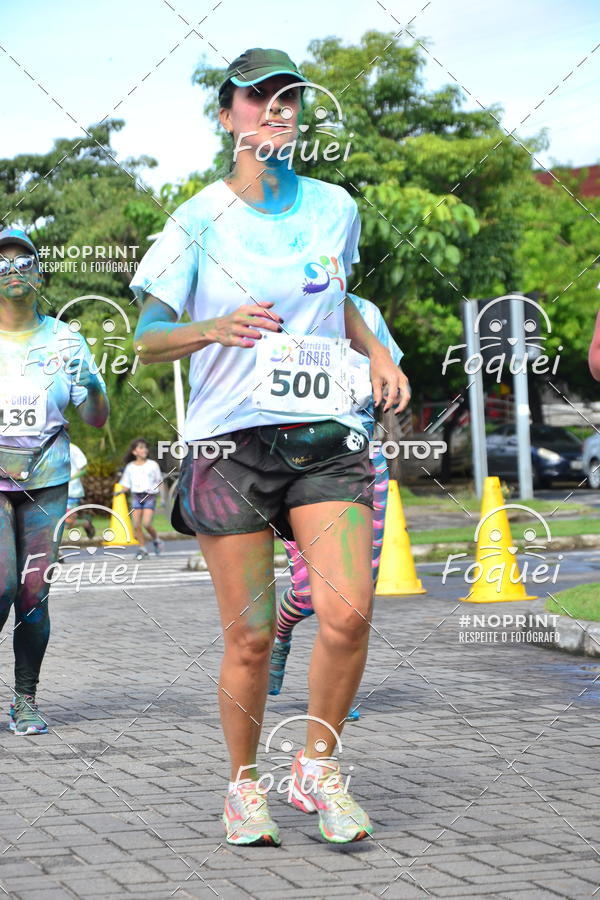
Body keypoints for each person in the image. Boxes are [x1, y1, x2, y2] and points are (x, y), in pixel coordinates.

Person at [131, 48, 410, 847]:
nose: (276, 109)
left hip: (323, 436)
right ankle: (242, 785)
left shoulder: (334, 207)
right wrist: (211, 329)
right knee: (250, 638)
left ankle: (316, 770)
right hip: (230, 447)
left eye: (288, 97)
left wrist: (379, 351)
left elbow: (341, 297)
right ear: (229, 117)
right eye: (258, 99)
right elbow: (148, 340)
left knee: (349, 609)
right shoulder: (197, 219)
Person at [269, 294, 405, 718]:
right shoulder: (281, 303)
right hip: (295, 462)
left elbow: (391, 378)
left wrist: (392, 419)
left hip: (360, 458)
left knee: (356, 593)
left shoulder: (368, 314)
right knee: (309, 593)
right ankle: (281, 631)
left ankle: (331, 698)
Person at [0, 228, 108, 735]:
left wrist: (91, 386)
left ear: (39, 275)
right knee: (1, 586)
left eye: (24, 262)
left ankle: (25, 699)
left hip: (47, 477)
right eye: (3, 263)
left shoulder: (66, 339)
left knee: (32, 596)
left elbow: (96, 417)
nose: (13, 270)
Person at [117, 438, 163, 559]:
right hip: (136, 496)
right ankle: (142, 548)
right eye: (141, 448)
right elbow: (126, 484)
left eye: (145, 447)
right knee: (136, 525)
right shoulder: (130, 467)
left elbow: (160, 482)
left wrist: (163, 498)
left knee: (146, 524)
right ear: (134, 452)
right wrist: (120, 491)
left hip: (149, 496)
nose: (144, 450)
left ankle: (157, 540)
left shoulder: (153, 465)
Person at [64, 437, 95, 539]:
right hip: (56, 491)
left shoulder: (73, 449)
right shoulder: (51, 449)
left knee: (67, 524)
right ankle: (56, 551)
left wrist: (70, 478)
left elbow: (84, 469)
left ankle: (86, 523)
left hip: (72, 491)